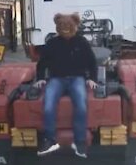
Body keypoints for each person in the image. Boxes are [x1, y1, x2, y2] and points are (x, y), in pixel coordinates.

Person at [34, 13, 98, 158]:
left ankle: (79, 142)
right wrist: (40, 78)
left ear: (75, 25)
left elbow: (92, 62)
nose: (65, 29)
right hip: (56, 79)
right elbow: (42, 62)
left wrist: (93, 79)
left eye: (69, 26)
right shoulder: (52, 43)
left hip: (77, 79)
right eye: (62, 26)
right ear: (57, 26)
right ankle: (50, 140)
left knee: (81, 105)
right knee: (48, 103)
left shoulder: (82, 42)